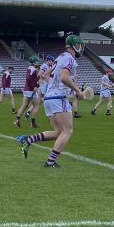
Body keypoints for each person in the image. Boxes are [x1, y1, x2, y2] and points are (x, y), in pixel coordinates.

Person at [17, 34, 85, 168]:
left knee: (58, 132)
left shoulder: (59, 57)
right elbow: (64, 77)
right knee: (68, 131)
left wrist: (54, 85)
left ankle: (28, 140)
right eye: (79, 45)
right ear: (74, 45)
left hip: (49, 97)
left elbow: (44, 75)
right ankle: (50, 162)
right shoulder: (70, 59)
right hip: (58, 98)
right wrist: (77, 90)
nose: (80, 48)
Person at [14, 56, 40, 129]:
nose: (38, 62)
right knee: (36, 105)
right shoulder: (33, 69)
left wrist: (37, 83)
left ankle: (17, 120)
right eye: (37, 61)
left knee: (24, 105)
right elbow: (29, 78)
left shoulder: (30, 68)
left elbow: (31, 79)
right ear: (34, 62)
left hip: (27, 89)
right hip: (30, 90)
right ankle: (32, 123)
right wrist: (34, 86)